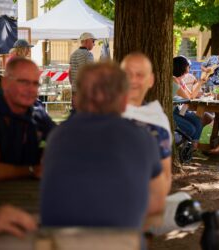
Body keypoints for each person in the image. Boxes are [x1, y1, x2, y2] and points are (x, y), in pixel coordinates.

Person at [41, 62, 166, 230]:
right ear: (123, 101)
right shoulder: (144, 139)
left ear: (77, 99)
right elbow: (157, 203)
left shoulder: (57, 137)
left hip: (58, 244)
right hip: (122, 243)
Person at [121, 52, 172, 195]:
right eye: (127, 74)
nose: (132, 80)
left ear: (151, 80)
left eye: (140, 75)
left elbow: (165, 177)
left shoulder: (157, 120)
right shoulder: (102, 114)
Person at [0, 57, 55, 180]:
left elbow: (61, 141)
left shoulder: (37, 113)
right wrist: (31, 170)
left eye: (35, 83)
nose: (31, 90)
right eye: (24, 82)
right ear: (5, 83)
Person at [173, 56, 206, 148]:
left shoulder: (180, 80)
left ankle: (192, 149)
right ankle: (183, 147)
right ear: (182, 67)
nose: (189, 68)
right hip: (171, 112)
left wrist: (200, 83)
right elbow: (188, 98)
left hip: (178, 110)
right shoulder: (173, 80)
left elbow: (191, 96)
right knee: (191, 129)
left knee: (197, 120)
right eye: (188, 66)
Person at [68, 32, 96, 100]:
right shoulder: (88, 55)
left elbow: (70, 72)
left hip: (75, 90)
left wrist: (73, 85)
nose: (94, 44)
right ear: (87, 41)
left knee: (75, 110)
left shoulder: (73, 54)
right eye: (93, 41)